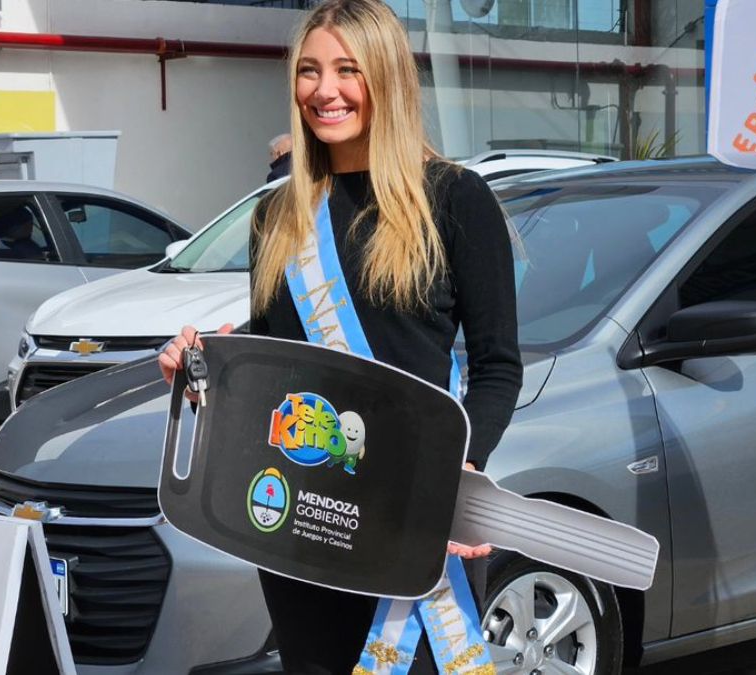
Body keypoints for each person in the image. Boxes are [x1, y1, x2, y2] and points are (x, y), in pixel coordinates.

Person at [160, 0, 521, 671]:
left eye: (346, 70)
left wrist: (457, 475)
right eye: (308, 71)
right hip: (304, 523)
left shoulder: (455, 200)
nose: (324, 90)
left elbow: (499, 367)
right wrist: (203, 368)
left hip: (411, 517)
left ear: (385, 78)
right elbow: (275, 357)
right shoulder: (279, 216)